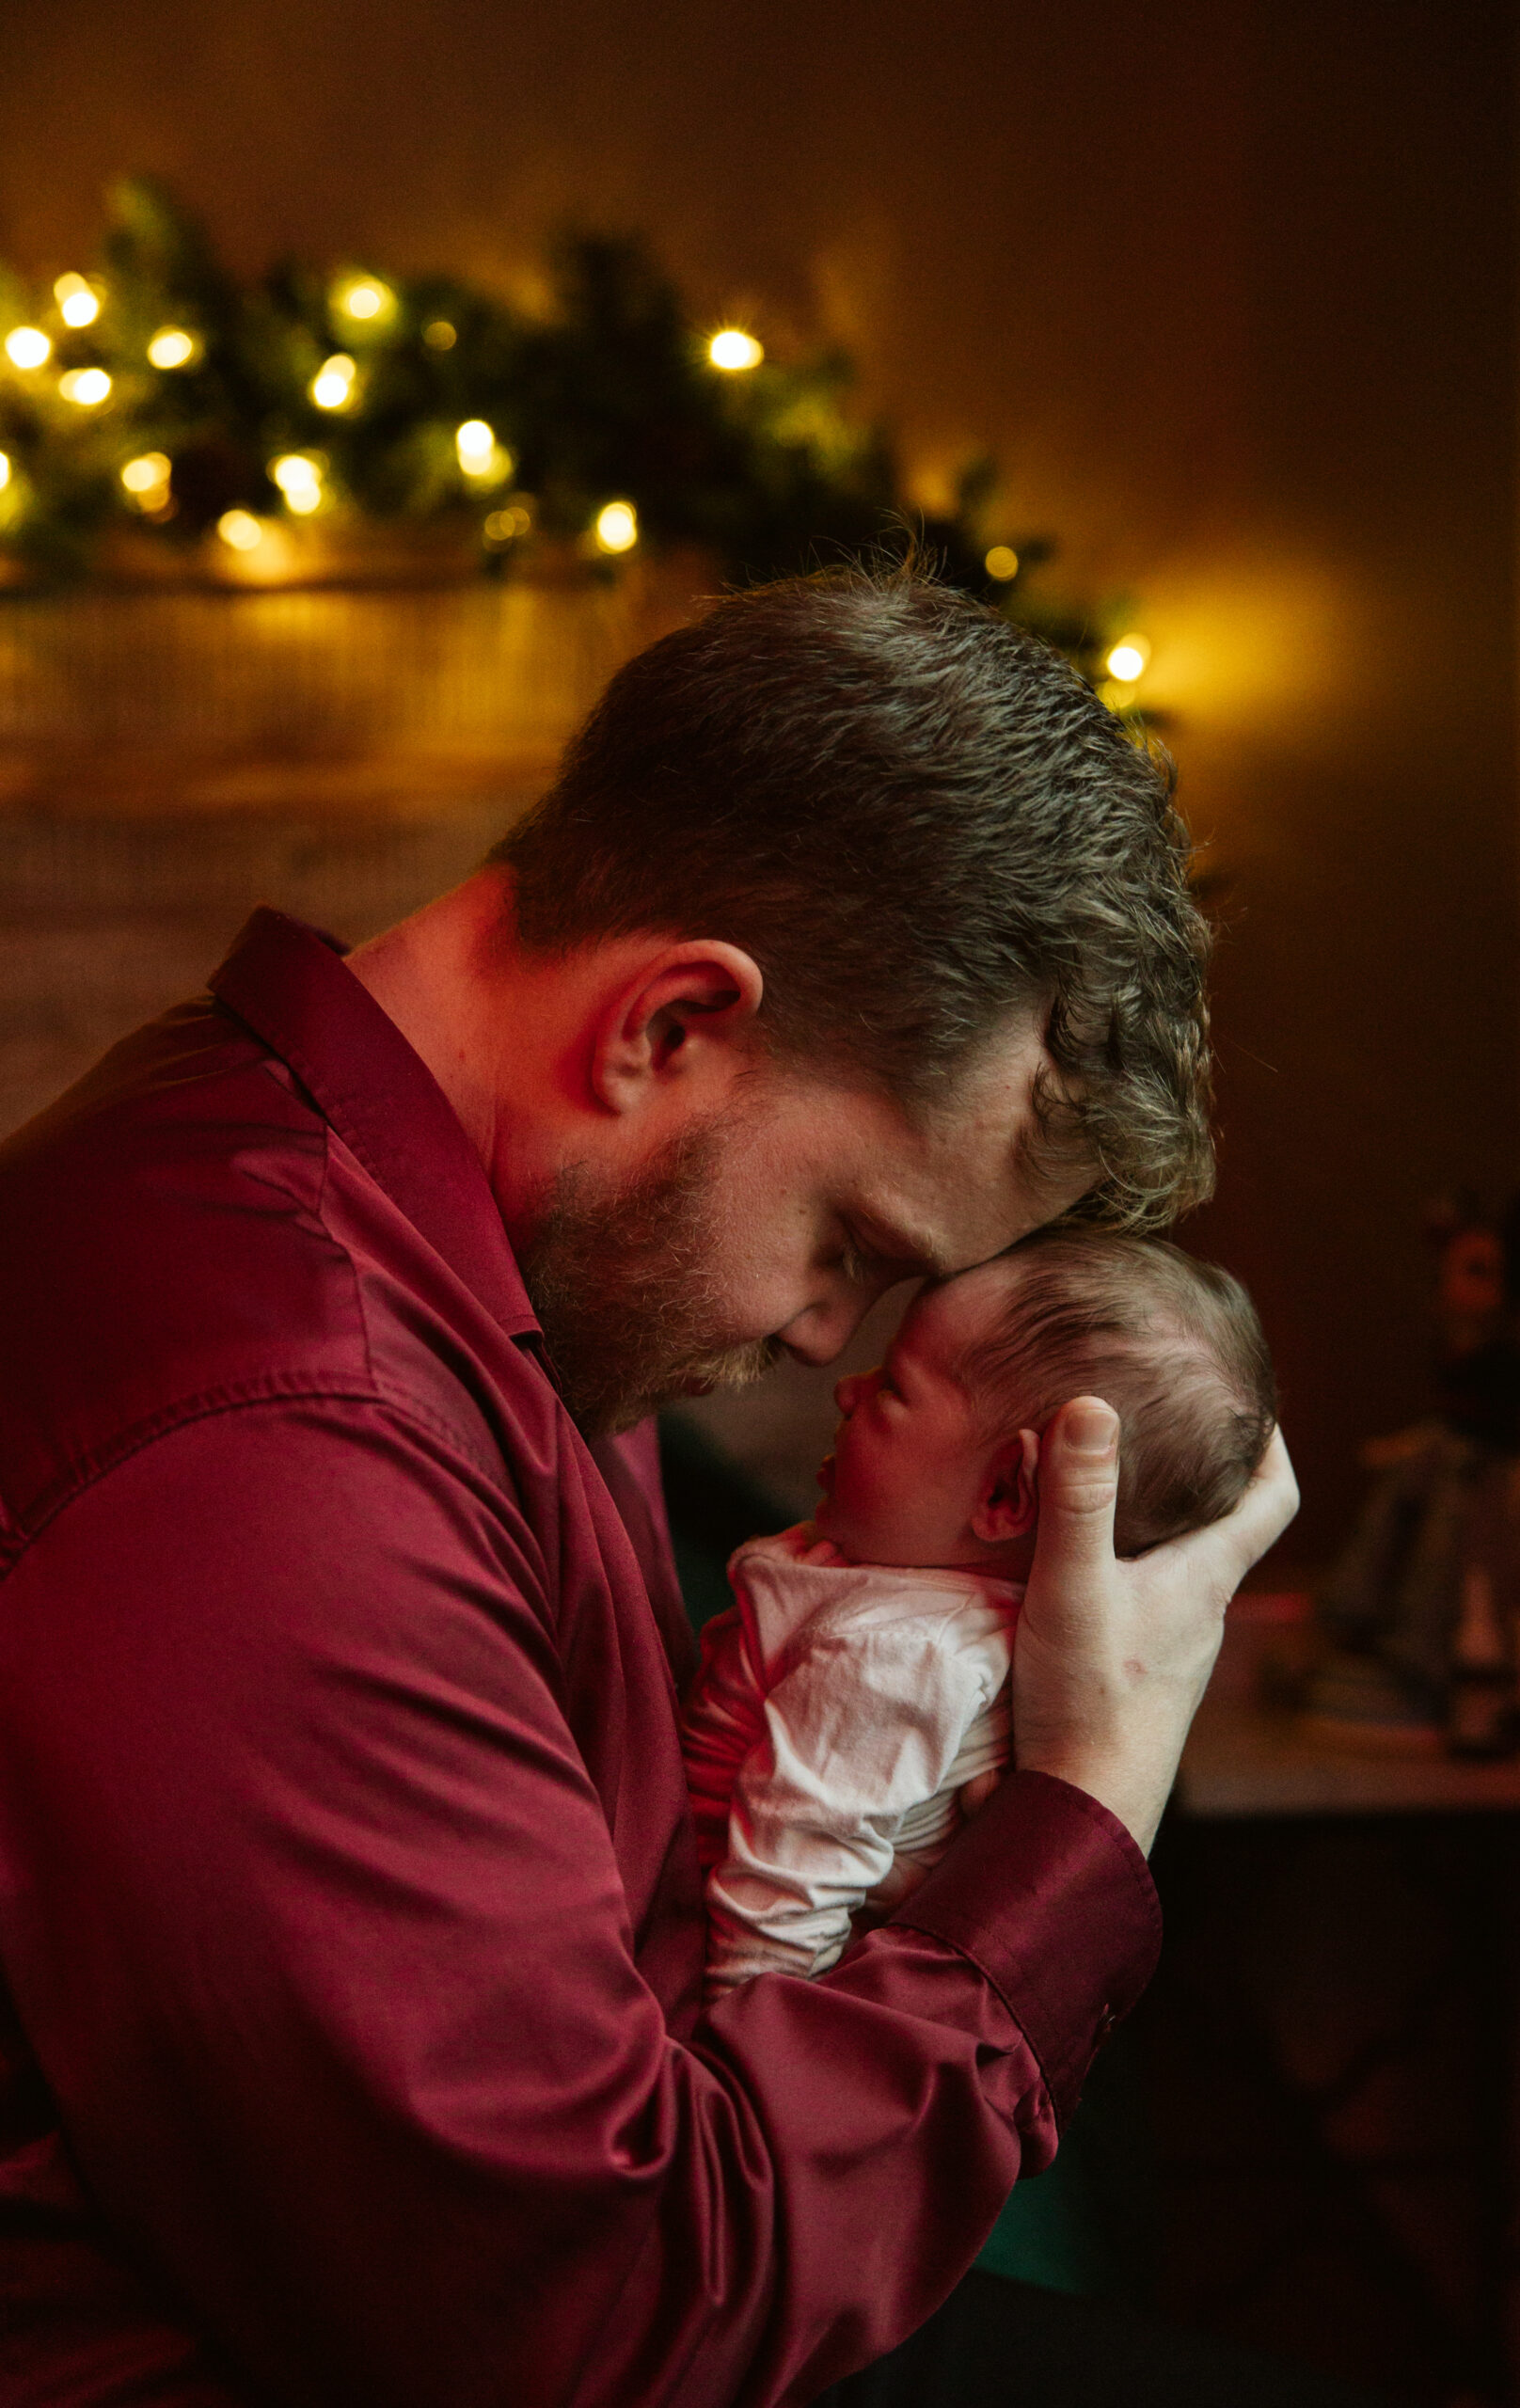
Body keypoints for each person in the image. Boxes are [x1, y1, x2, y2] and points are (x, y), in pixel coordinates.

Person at [0, 570, 1296, 2407]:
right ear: (669, 1023)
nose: (827, 1335)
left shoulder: (454, 1246)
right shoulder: (281, 1438)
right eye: (849, 1238)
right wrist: (1091, 1790)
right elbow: (584, 2323)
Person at [684, 1228, 1275, 1996]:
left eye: (892, 1386)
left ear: (1003, 1496)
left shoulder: (899, 1657)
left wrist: (730, 2035)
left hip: (704, 1965)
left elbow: (790, 1881)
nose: (845, 1389)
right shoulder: (897, 1589)